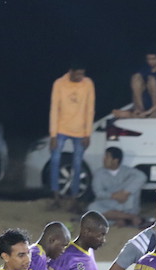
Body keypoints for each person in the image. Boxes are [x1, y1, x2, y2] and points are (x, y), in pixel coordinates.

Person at [49, 61, 95, 205]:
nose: (81, 77)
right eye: (78, 74)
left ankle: (74, 198)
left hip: (80, 130)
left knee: (77, 163)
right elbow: (54, 109)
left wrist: (88, 133)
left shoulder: (88, 83)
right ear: (71, 72)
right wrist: (53, 134)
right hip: (61, 128)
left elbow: (90, 109)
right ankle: (56, 196)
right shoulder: (59, 84)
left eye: (83, 74)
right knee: (55, 161)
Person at [87, 147, 148, 227]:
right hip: (109, 204)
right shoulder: (99, 173)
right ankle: (130, 217)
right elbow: (98, 193)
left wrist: (125, 193)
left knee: (135, 182)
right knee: (92, 207)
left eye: (107, 157)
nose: (103, 159)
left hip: (126, 205)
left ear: (115, 160)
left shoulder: (127, 171)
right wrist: (114, 196)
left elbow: (142, 176)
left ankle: (117, 219)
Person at [127, 50, 156, 118]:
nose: (150, 61)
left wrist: (151, 111)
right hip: (146, 102)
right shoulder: (145, 69)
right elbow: (135, 90)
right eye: (148, 59)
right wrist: (136, 106)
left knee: (152, 80)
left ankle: (154, 111)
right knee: (135, 77)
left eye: (153, 59)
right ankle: (140, 109)